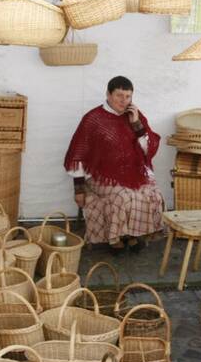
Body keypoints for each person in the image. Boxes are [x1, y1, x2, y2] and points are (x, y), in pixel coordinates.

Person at [64, 76, 164, 253]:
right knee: (123, 196)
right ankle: (115, 239)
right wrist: (78, 189)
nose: (123, 101)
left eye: (128, 96)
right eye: (119, 95)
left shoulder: (135, 116)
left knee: (152, 193)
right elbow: (78, 154)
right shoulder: (93, 119)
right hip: (100, 175)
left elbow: (148, 150)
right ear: (108, 94)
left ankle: (133, 234)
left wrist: (136, 124)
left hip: (132, 172)